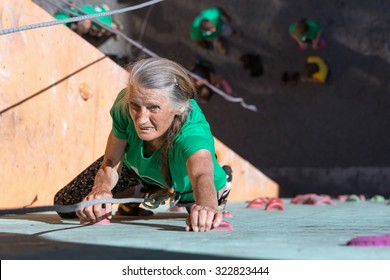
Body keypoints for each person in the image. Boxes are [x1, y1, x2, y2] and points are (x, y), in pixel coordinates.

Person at [53, 57, 233, 232]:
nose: (141, 119)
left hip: (186, 186)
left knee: (199, 214)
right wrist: (101, 189)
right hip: (137, 170)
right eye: (135, 106)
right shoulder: (124, 105)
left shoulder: (192, 132)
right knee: (66, 205)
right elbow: (111, 160)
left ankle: (223, 182)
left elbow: (201, 174)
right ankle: (138, 193)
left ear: (179, 107)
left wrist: (207, 206)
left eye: (153, 108)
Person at [54, 4, 120, 38]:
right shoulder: (107, 22)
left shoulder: (106, 17)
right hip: (68, 14)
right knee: (58, 28)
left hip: (76, 15)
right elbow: (109, 26)